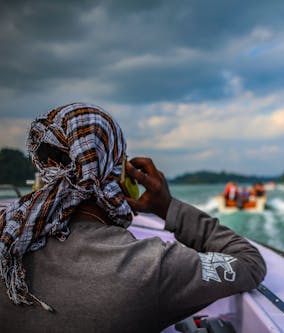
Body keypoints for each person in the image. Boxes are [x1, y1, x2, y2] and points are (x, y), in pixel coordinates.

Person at [0, 103, 266, 332]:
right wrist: (167, 207)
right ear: (117, 173)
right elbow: (249, 262)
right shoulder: (152, 266)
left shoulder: (8, 235)